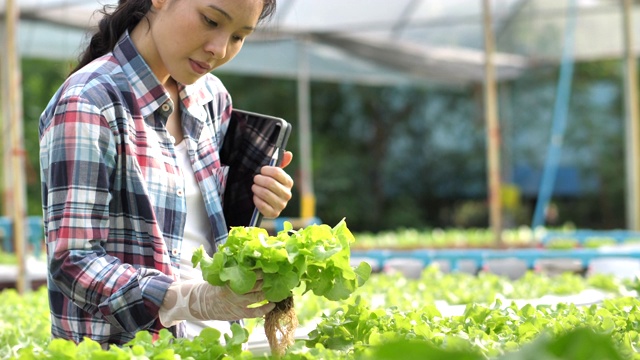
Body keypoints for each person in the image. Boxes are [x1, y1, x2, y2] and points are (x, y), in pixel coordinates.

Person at [38, 0, 293, 347]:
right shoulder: (89, 102)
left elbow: (201, 233)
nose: (219, 49)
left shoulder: (211, 98)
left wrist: (256, 201)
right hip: (131, 350)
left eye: (238, 36)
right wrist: (190, 299)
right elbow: (74, 261)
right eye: (210, 20)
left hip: (216, 347)